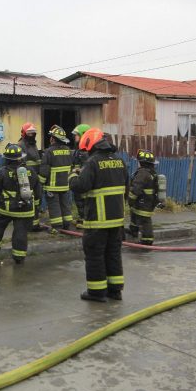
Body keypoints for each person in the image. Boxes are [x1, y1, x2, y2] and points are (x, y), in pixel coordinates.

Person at [69, 127, 128, 302]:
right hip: (116, 220)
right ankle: (115, 291)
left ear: (92, 145)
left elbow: (81, 186)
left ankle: (96, 292)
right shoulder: (120, 161)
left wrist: (73, 175)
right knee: (113, 254)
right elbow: (126, 187)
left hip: (97, 221)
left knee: (95, 256)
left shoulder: (93, 163)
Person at [0, 143, 40, 264]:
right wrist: (35, 206)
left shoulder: (2, 173)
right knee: (21, 232)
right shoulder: (31, 172)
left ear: (7, 159)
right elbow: (38, 192)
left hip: (5, 209)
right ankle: (19, 257)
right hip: (26, 209)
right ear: (21, 157)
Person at [40, 125, 74, 232]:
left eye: (51, 137)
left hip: (52, 186)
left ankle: (57, 227)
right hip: (65, 184)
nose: (50, 139)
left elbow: (44, 169)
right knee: (65, 204)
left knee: (54, 206)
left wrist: (40, 183)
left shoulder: (49, 152)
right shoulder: (68, 150)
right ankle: (67, 224)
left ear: (54, 139)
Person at [128, 149, 158, 247]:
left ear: (142, 162)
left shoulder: (143, 173)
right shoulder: (150, 172)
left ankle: (147, 239)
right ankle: (133, 230)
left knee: (145, 220)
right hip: (147, 201)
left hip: (144, 201)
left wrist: (130, 199)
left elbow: (136, 187)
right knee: (135, 214)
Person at [18, 122, 44, 231]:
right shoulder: (21, 145)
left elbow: (36, 160)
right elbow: (21, 164)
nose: (32, 135)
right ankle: (28, 225)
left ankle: (35, 224)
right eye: (29, 133)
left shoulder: (33, 144)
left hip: (36, 177)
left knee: (37, 200)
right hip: (28, 178)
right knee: (29, 201)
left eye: (33, 133)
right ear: (24, 133)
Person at [71, 124, 91, 228]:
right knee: (78, 199)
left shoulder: (86, 152)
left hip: (82, 180)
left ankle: (85, 220)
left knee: (83, 200)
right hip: (78, 178)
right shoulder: (79, 150)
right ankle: (81, 217)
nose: (75, 137)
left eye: (77, 135)